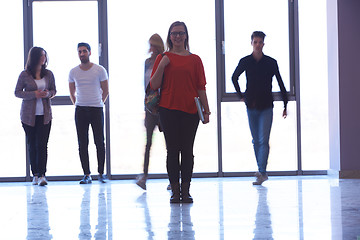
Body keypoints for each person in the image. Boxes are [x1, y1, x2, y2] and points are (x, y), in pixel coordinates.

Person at [150, 21, 210, 203]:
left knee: (187, 150)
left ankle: (186, 190)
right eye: (174, 33)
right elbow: (154, 85)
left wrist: (206, 110)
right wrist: (162, 65)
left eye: (181, 33)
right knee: (172, 151)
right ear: (169, 36)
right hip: (168, 110)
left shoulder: (195, 60)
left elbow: (201, 87)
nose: (177, 36)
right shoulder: (163, 57)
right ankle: (175, 191)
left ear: (186, 36)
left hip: (191, 111)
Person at [232, 31, 288, 185]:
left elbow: (280, 83)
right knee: (256, 140)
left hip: (266, 106)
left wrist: (285, 104)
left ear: (263, 44)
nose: (257, 45)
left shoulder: (271, 62)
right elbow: (234, 77)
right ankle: (261, 171)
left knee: (263, 140)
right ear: (251, 43)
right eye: (255, 42)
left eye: (260, 42)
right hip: (251, 105)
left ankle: (262, 171)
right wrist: (240, 95)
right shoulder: (246, 61)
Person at [15, 46, 57, 186]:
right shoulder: (24, 74)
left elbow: (54, 90)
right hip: (28, 116)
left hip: (45, 115)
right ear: (34, 58)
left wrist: (47, 94)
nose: (43, 58)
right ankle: (35, 175)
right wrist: (34, 94)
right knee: (32, 145)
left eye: (44, 55)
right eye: (41, 55)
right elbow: (17, 92)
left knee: (42, 145)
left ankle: (43, 175)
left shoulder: (49, 74)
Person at [69, 42, 109, 184]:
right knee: (82, 143)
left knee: (99, 142)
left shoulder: (100, 70)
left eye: (84, 51)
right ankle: (87, 174)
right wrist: (79, 104)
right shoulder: (73, 72)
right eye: (79, 51)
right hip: (80, 110)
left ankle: (101, 173)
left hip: (96, 109)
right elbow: (72, 92)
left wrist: (98, 102)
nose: (82, 54)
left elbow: (106, 90)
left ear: (90, 53)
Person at [136, 34, 166, 190]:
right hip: (150, 107)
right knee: (148, 143)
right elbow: (145, 86)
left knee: (170, 145)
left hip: (164, 107)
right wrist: (147, 104)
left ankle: (173, 179)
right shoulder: (147, 62)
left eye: (153, 45)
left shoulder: (165, 60)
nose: (151, 48)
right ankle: (144, 177)